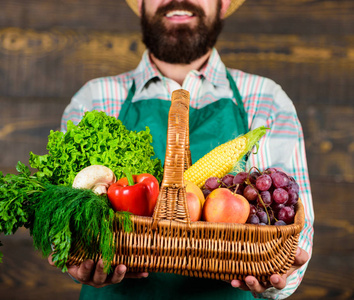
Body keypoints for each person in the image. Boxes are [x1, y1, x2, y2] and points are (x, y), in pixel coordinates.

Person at [51, 0, 314, 299]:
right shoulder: (94, 100)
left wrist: (278, 278)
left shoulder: (266, 99)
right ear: (140, 4)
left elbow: (295, 232)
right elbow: (65, 221)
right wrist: (73, 257)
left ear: (223, 4)